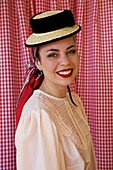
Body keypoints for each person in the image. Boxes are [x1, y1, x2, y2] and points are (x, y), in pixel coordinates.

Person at [15, 9, 97, 170]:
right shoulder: (38, 115)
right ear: (38, 62)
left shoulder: (74, 101)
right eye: (53, 55)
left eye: (71, 51)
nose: (65, 62)